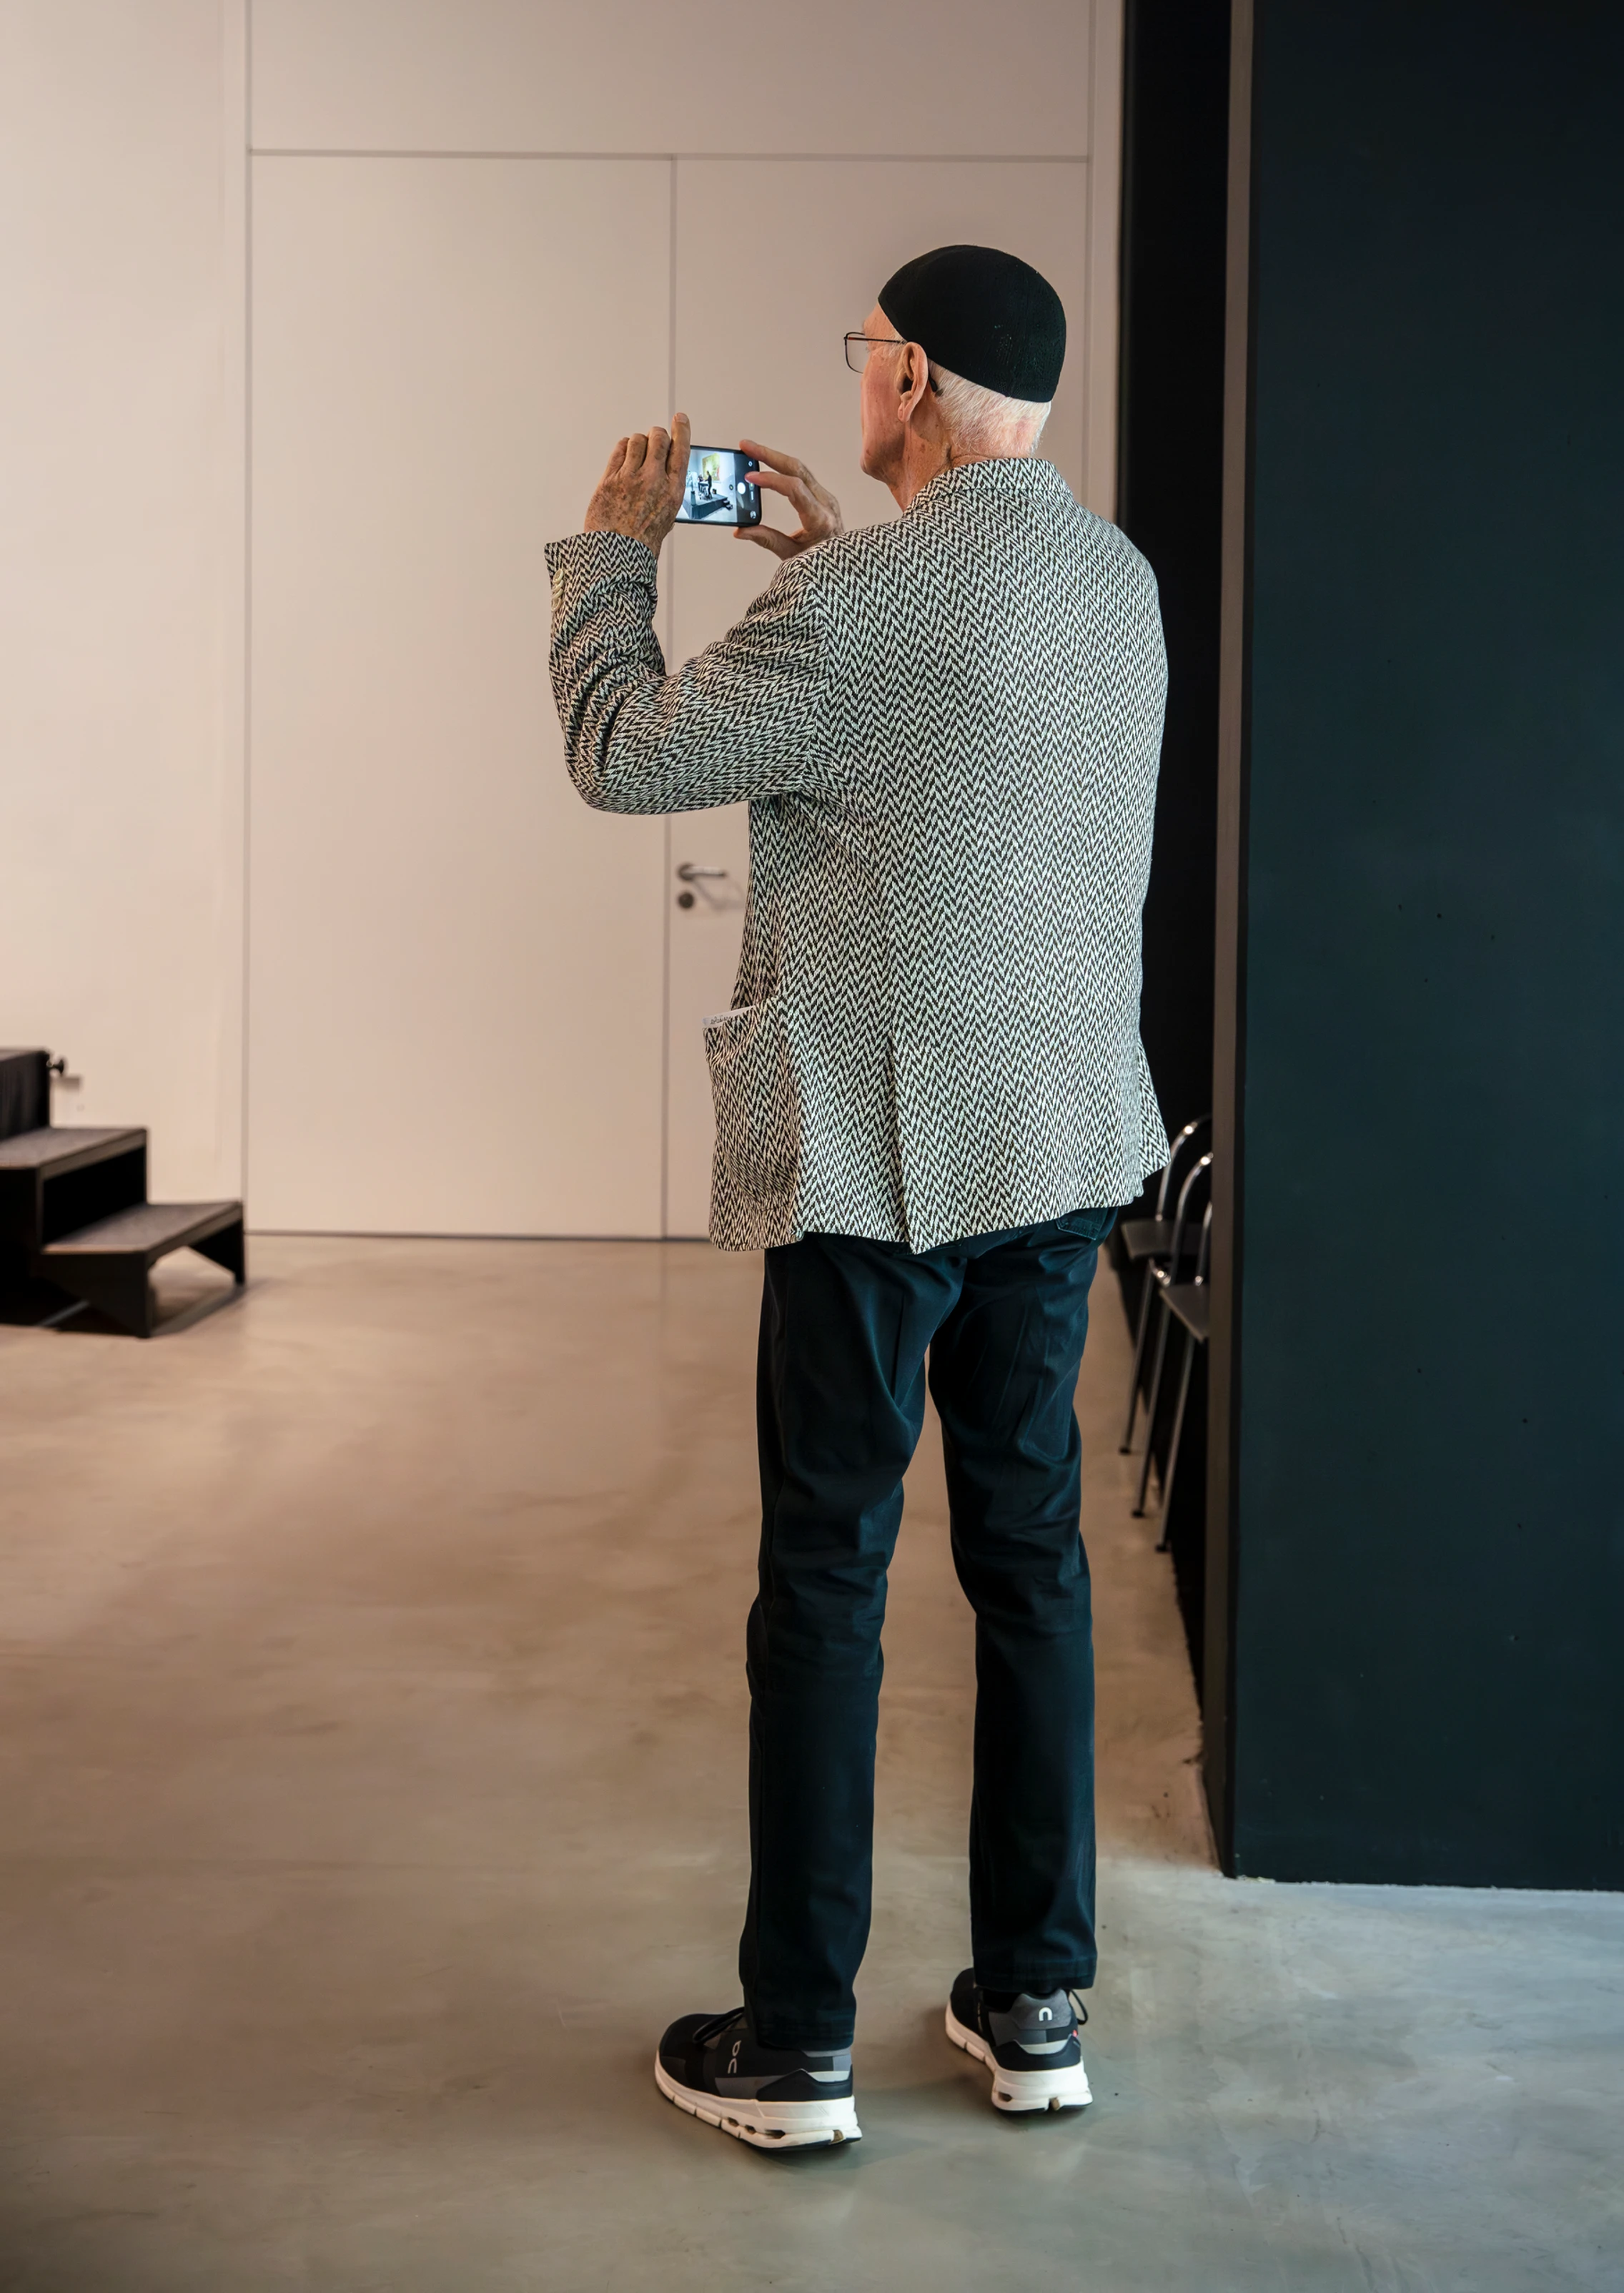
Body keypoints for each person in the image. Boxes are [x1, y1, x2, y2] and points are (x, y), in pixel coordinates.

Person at [545, 244, 1168, 2151]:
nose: (857, 379)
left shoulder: (864, 605)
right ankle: (1036, 2008)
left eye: (865, 353)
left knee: (825, 1575)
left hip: (873, 1167)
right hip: (1054, 1154)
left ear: (907, 380)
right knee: (1032, 1563)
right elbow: (953, 751)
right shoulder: (1117, 583)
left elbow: (626, 755)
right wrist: (826, 561)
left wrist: (615, 559)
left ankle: (799, 2037)